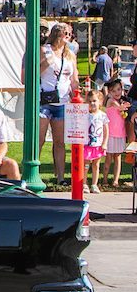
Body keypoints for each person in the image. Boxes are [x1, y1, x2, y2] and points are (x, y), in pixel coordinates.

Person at [37, 22, 78, 186]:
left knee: (60, 141)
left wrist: (77, 92)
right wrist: (48, 61)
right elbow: (35, 72)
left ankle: (60, 176)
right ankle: (34, 173)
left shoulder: (70, 55)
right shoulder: (45, 50)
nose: (68, 37)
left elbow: (74, 79)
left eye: (69, 34)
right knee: (39, 139)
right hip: (44, 100)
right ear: (57, 35)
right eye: (65, 33)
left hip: (61, 101)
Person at [103, 78, 130, 189]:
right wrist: (125, 106)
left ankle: (115, 180)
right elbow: (118, 107)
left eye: (119, 90)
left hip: (120, 133)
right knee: (109, 157)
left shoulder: (120, 101)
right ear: (109, 92)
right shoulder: (110, 101)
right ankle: (104, 179)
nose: (117, 93)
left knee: (118, 157)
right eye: (114, 91)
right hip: (111, 134)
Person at [85, 90, 107, 193]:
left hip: (98, 144)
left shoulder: (102, 115)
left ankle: (94, 184)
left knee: (96, 164)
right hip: (87, 144)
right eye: (89, 101)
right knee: (85, 164)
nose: (92, 103)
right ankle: (84, 183)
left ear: (100, 102)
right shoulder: (85, 114)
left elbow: (106, 130)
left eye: (94, 101)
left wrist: (104, 143)